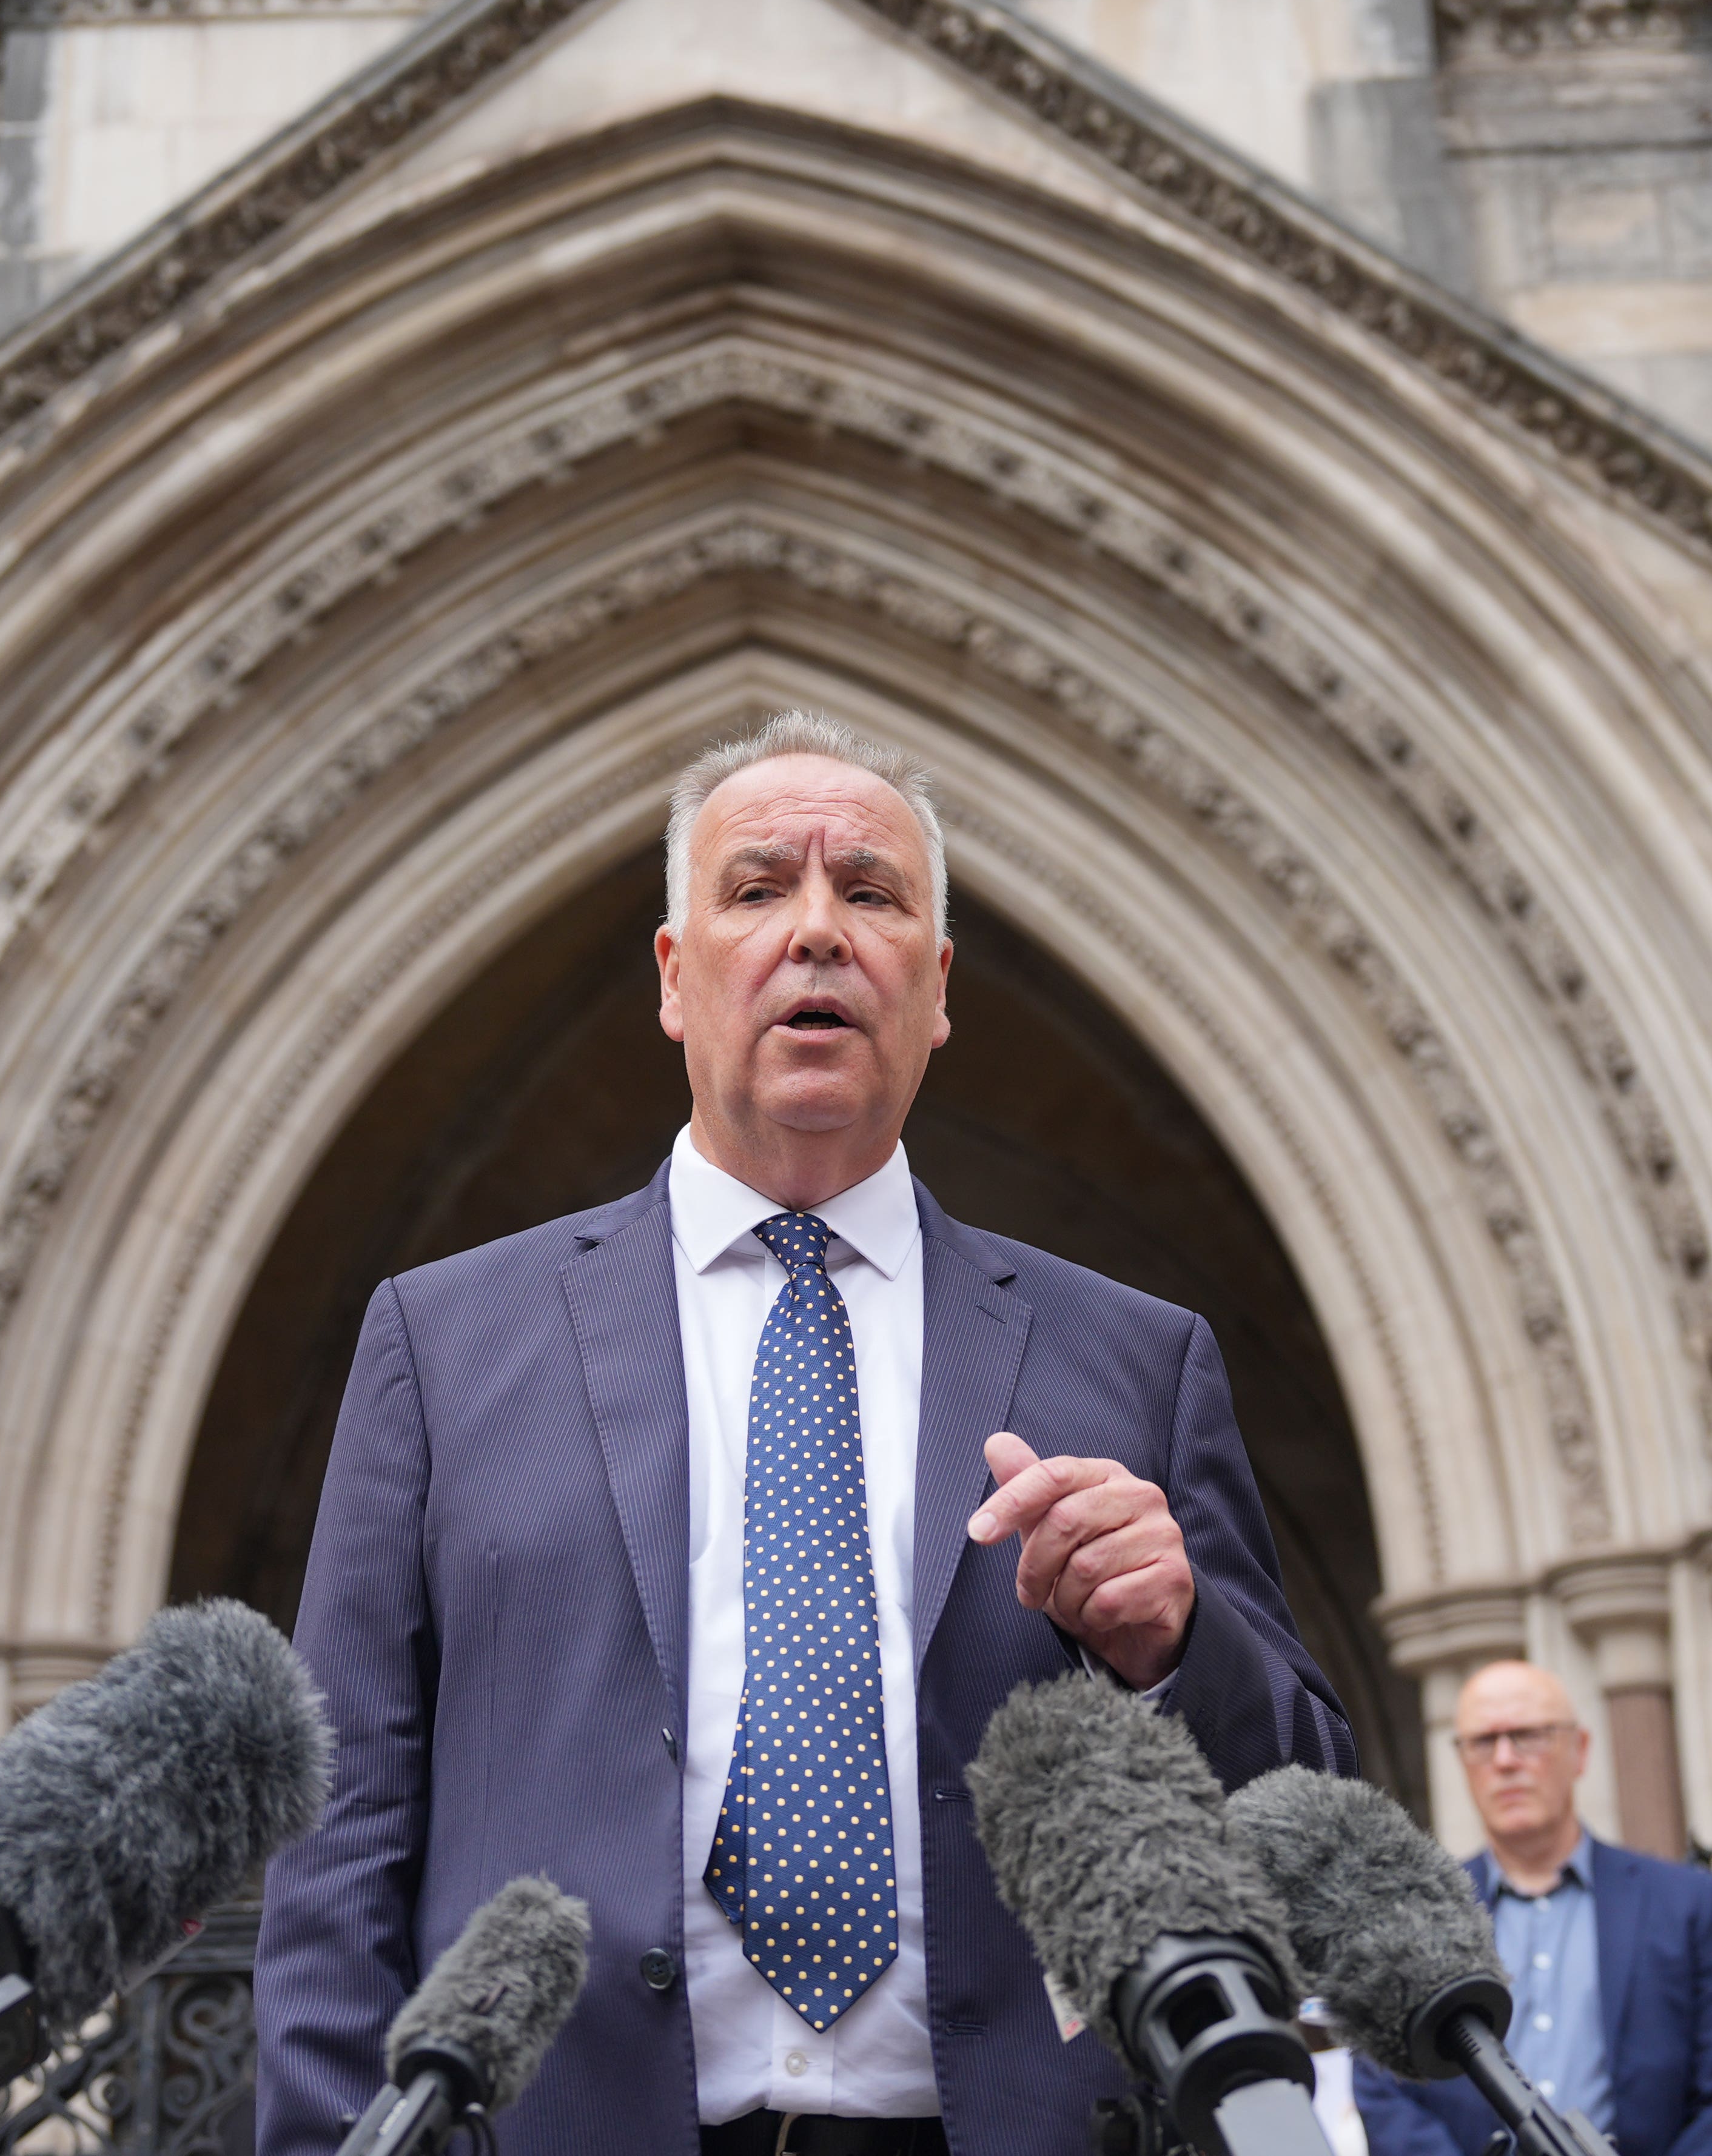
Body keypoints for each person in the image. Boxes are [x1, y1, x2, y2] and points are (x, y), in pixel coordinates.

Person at [253, 712, 1355, 2156]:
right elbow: (340, 1821)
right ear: (674, 975)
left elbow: (1307, 1812)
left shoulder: (1134, 1357)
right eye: (760, 887)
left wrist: (1175, 1644)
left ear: (938, 987)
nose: (820, 930)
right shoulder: (446, 1341)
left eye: (873, 892)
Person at [1352, 1663, 1712, 2156]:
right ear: (1461, 1760)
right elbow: (1382, 2091)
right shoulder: (1410, 1919)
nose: (1504, 1760)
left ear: (1580, 1749)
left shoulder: (1683, 1903)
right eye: (1482, 1741)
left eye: (1527, 1735)